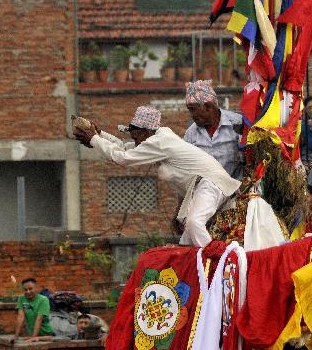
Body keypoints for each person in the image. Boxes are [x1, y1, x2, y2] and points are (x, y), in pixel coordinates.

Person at [73, 106, 241, 247]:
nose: (136, 141)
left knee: (194, 224)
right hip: (201, 188)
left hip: (211, 184)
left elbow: (122, 158)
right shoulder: (157, 138)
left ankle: (217, 260)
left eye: (136, 136)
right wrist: (99, 135)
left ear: (145, 132)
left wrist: (94, 139)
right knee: (186, 243)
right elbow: (125, 149)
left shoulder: (159, 142)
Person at [182, 80, 243, 180]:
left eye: (193, 109)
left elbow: (250, 161)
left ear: (208, 107)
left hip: (237, 189)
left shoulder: (237, 123)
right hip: (206, 190)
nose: (191, 115)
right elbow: (186, 167)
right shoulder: (191, 134)